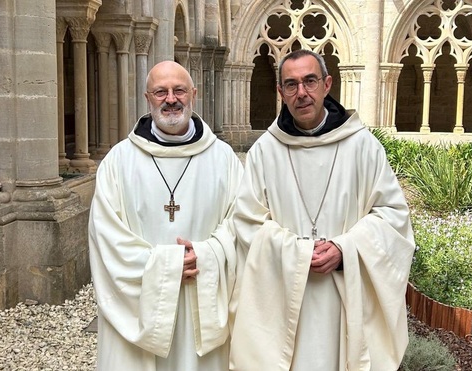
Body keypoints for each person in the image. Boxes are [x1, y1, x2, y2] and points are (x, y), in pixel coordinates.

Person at [229, 49, 415, 370]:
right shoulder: (265, 152)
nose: (302, 93)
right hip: (284, 301)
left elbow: (393, 218)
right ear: (281, 93)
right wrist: (298, 254)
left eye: (310, 81)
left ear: (327, 84)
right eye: (291, 85)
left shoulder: (362, 146)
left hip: (345, 298)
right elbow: (246, 225)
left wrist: (345, 249)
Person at [89, 60, 243, 371]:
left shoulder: (223, 158)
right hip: (140, 304)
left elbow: (241, 223)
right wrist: (169, 265)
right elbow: (105, 235)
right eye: (161, 91)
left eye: (179, 90)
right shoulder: (118, 161)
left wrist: (207, 254)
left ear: (193, 95)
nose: (171, 99)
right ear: (147, 98)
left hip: (202, 296)